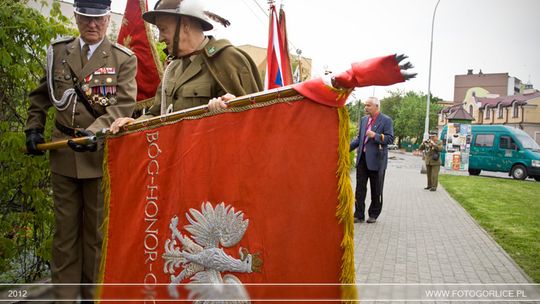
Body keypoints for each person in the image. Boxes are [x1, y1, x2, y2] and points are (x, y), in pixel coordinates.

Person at [24, 0, 137, 300]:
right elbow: (40, 96)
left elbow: (123, 105)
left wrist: (94, 132)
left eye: (98, 19)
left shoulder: (122, 59)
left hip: (97, 157)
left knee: (96, 237)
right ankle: (64, 298)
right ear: (75, 16)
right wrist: (33, 128)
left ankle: (93, 297)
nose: (92, 25)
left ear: (107, 19)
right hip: (62, 155)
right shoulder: (59, 53)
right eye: (86, 17)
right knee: (64, 236)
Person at [110, 0, 262, 133]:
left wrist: (229, 110)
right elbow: (156, 113)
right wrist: (134, 123)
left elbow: (254, 120)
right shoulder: (173, 68)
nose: (161, 38)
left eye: (163, 29)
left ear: (185, 25)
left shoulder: (227, 58)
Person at [350, 97, 394, 224]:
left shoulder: (386, 120)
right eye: (365, 105)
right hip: (362, 159)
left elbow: (390, 139)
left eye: (368, 105)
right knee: (360, 189)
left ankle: (373, 214)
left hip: (377, 161)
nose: (366, 107)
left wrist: (375, 136)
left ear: (376, 106)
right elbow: (359, 139)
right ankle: (358, 215)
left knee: (376, 189)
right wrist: (345, 149)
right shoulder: (364, 120)